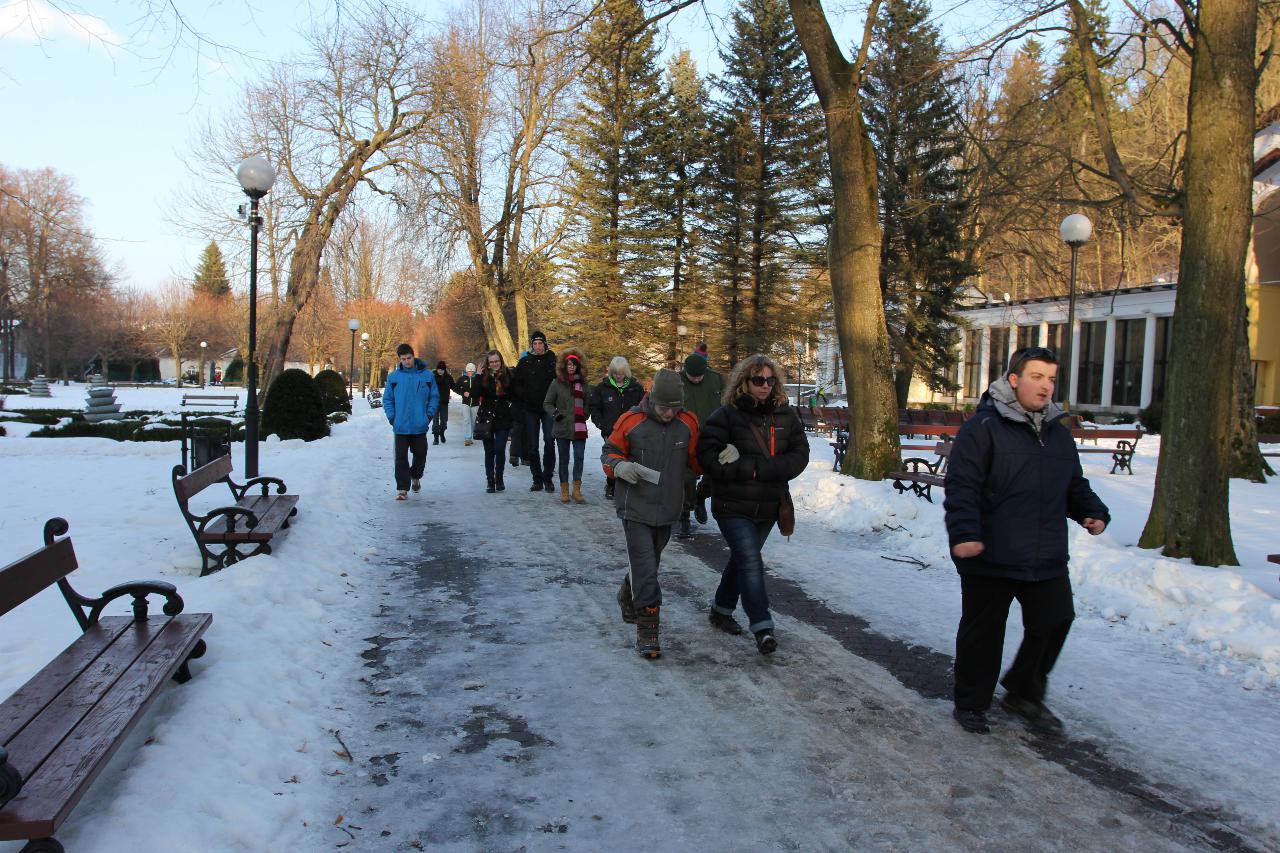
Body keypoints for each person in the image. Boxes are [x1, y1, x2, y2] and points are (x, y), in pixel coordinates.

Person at [944, 346, 1109, 736]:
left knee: (1055, 619)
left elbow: (1073, 484)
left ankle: (1023, 692)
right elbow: (962, 486)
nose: (1046, 386)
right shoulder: (983, 428)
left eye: (1051, 378)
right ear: (1014, 380)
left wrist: (1091, 510)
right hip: (990, 552)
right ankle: (971, 703)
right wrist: (965, 534)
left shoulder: (1058, 434)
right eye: (1037, 377)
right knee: (984, 632)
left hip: (1044, 551)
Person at [696, 354, 809, 655]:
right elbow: (707, 456)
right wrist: (745, 468)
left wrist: (759, 469)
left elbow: (800, 455)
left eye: (770, 380)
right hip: (732, 505)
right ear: (744, 382)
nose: (765, 385)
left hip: (769, 505)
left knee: (742, 559)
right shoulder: (726, 416)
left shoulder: (786, 416)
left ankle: (721, 609)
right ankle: (762, 626)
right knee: (750, 560)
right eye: (758, 379)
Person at [602, 369, 701, 659]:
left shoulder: (688, 423)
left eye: (674, 408)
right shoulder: (631, 421)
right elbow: (609, 452)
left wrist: (720, 457)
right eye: (663, 407)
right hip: (634, 506)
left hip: (668, 507)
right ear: (652, 399)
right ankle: (648, 631)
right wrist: (619, 466)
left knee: (649, 563)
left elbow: (697, 461)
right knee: (646, 567)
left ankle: (628, 592)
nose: (669, 413)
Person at [678, 352, 725, 537]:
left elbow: (728, 405)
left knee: (716, 473)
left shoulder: (717, 380)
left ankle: (701, 496)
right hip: (685, 437)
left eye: (700, 376)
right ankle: (684, 515)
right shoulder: (677, 382)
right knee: (686, 477)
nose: (696, 379)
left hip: (712, 436)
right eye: (692, 376)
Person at [383, 344, 439, 500]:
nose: (407, 361)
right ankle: (402, 488)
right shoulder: (394, 377)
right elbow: (387, 399)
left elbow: (434, 397)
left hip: (420, 425)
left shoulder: (427, 376)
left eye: (409, 358)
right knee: (400, 458)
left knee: (420, 455)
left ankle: (415, 476)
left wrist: (428, 416)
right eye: (403, 359)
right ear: (399, 360)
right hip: (400, 426)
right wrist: (392, 418)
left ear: (413, 356)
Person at [589, 356, 644, 500]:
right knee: (613, 458)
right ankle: (611, 484)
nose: (618, 375)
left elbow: (643, 408)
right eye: (615, 373)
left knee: (630, 459)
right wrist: (601, 424)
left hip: (632, 431)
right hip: (611, 431)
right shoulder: (602, 388)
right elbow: (595, 408)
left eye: (620, 373)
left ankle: (626, 486)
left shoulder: (636, 388)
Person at [543, 348, 592, 504]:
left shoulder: (583, 383)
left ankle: (576, 490)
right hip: (562, 426)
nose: (571, 367)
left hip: (579, 426)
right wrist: (556, 414)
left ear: (578, 366)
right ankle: (564, 489)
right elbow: (547, 403)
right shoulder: (557, 383)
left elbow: (588, 402)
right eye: (569, 364)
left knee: (579, 457)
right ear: (564, 365)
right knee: (564, 459)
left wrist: (585, 414)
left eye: (574, 364)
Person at [513, 331, 558, 492]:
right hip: (530, 408)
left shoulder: (553, 361)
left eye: (540, 343)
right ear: (532, 345)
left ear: (545, 344)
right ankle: (537, 478)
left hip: (548, 408)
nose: (538, 346)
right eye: (535, 344)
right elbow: (516, 384)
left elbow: (561, 381)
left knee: (549, 441)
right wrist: (524, 396)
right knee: (532, 445)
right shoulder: (525, 362)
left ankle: (548, 477)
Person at [475, 350, 516, 493]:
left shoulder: (507, 375)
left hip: (503, 417)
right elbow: (475, 395)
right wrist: (477, 376)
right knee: (489, 451)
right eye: (491, 362)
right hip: (486, 418)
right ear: (487, 363)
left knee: (499, 449)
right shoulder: (483, 377)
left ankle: (499, 479)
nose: (494, 364)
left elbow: (513, 394)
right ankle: (490, 481)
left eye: (496, 361)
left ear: (501, 361)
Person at [456, 362, 479, 446]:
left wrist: (475, 395)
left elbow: (480, 390)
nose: (470, 373)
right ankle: (467, 438)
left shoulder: (477, 379)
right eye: (469, 371)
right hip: (465, 403)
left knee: (473, 421)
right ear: (466, 371)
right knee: (466, 420)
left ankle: (470, 437)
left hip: (475, 403)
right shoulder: (462, 379)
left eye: (472, 371)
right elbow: (456, 388)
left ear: (474, 371)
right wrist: (463, 393)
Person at [432, 361, 454, 444]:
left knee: (444, 420)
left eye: (442, 369)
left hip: (444, 402)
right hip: (434, 402)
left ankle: (442, 432)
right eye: (439, 369)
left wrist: (463, 392)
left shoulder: (448, 378)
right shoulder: (432, 377)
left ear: (444, 370)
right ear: (437, 369)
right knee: (435, 420)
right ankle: (436, 437)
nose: (440, 371)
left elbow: (454, 387)